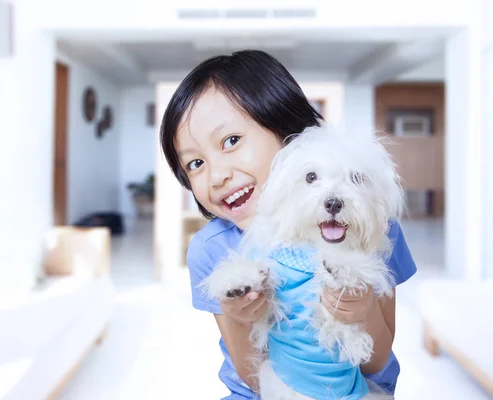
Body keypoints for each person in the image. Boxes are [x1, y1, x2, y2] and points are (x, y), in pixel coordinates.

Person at [160, 49, 417, 399]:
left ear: (288, 131)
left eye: (231, 141)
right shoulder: (214, 248)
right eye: (195, 164)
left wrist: (363, 310)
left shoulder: (369, 225)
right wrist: (241, 317)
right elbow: (252, 380)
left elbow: (377, 364)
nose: (216, 175)